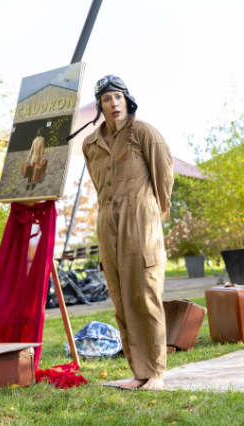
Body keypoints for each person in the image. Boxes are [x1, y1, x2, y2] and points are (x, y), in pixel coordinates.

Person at [78, 75, 173, 390]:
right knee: (121, 299)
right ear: (100, 106)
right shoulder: (89, 144)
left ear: (127, 100)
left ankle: (156, 372)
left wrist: (151, 218)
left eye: (118, 97)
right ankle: (139, 372)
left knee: (145, 295)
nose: (113, 103)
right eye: (106, 99)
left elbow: (163, 177)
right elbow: (98, 184)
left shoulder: (144, 132)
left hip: (141, 220)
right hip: (108, 222)